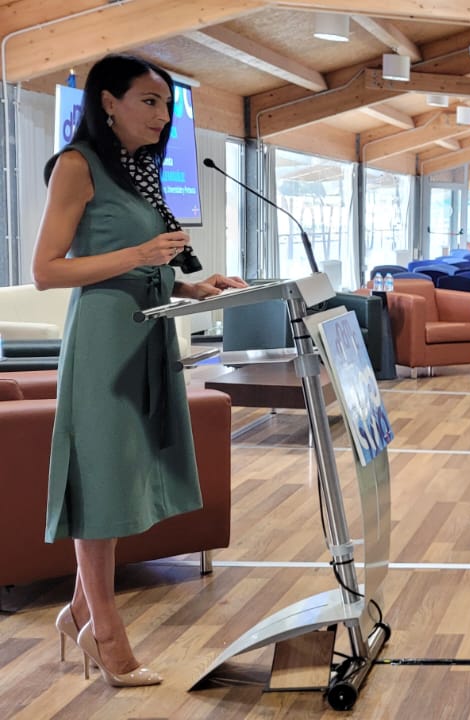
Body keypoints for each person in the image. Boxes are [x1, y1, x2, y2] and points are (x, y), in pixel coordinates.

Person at [34, 55, 249, 689]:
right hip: (104, 340)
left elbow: (141, 262)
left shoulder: (139, 169)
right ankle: (106, 632)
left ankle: (81, 612)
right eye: (150, 102)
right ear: (108, 102)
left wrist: (190, 286)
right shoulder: (77, 165)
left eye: (167, 106)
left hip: (147, 330)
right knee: (101, 482)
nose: (162, 117)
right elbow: (47, 270)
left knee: (125, 475)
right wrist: (140, 253)